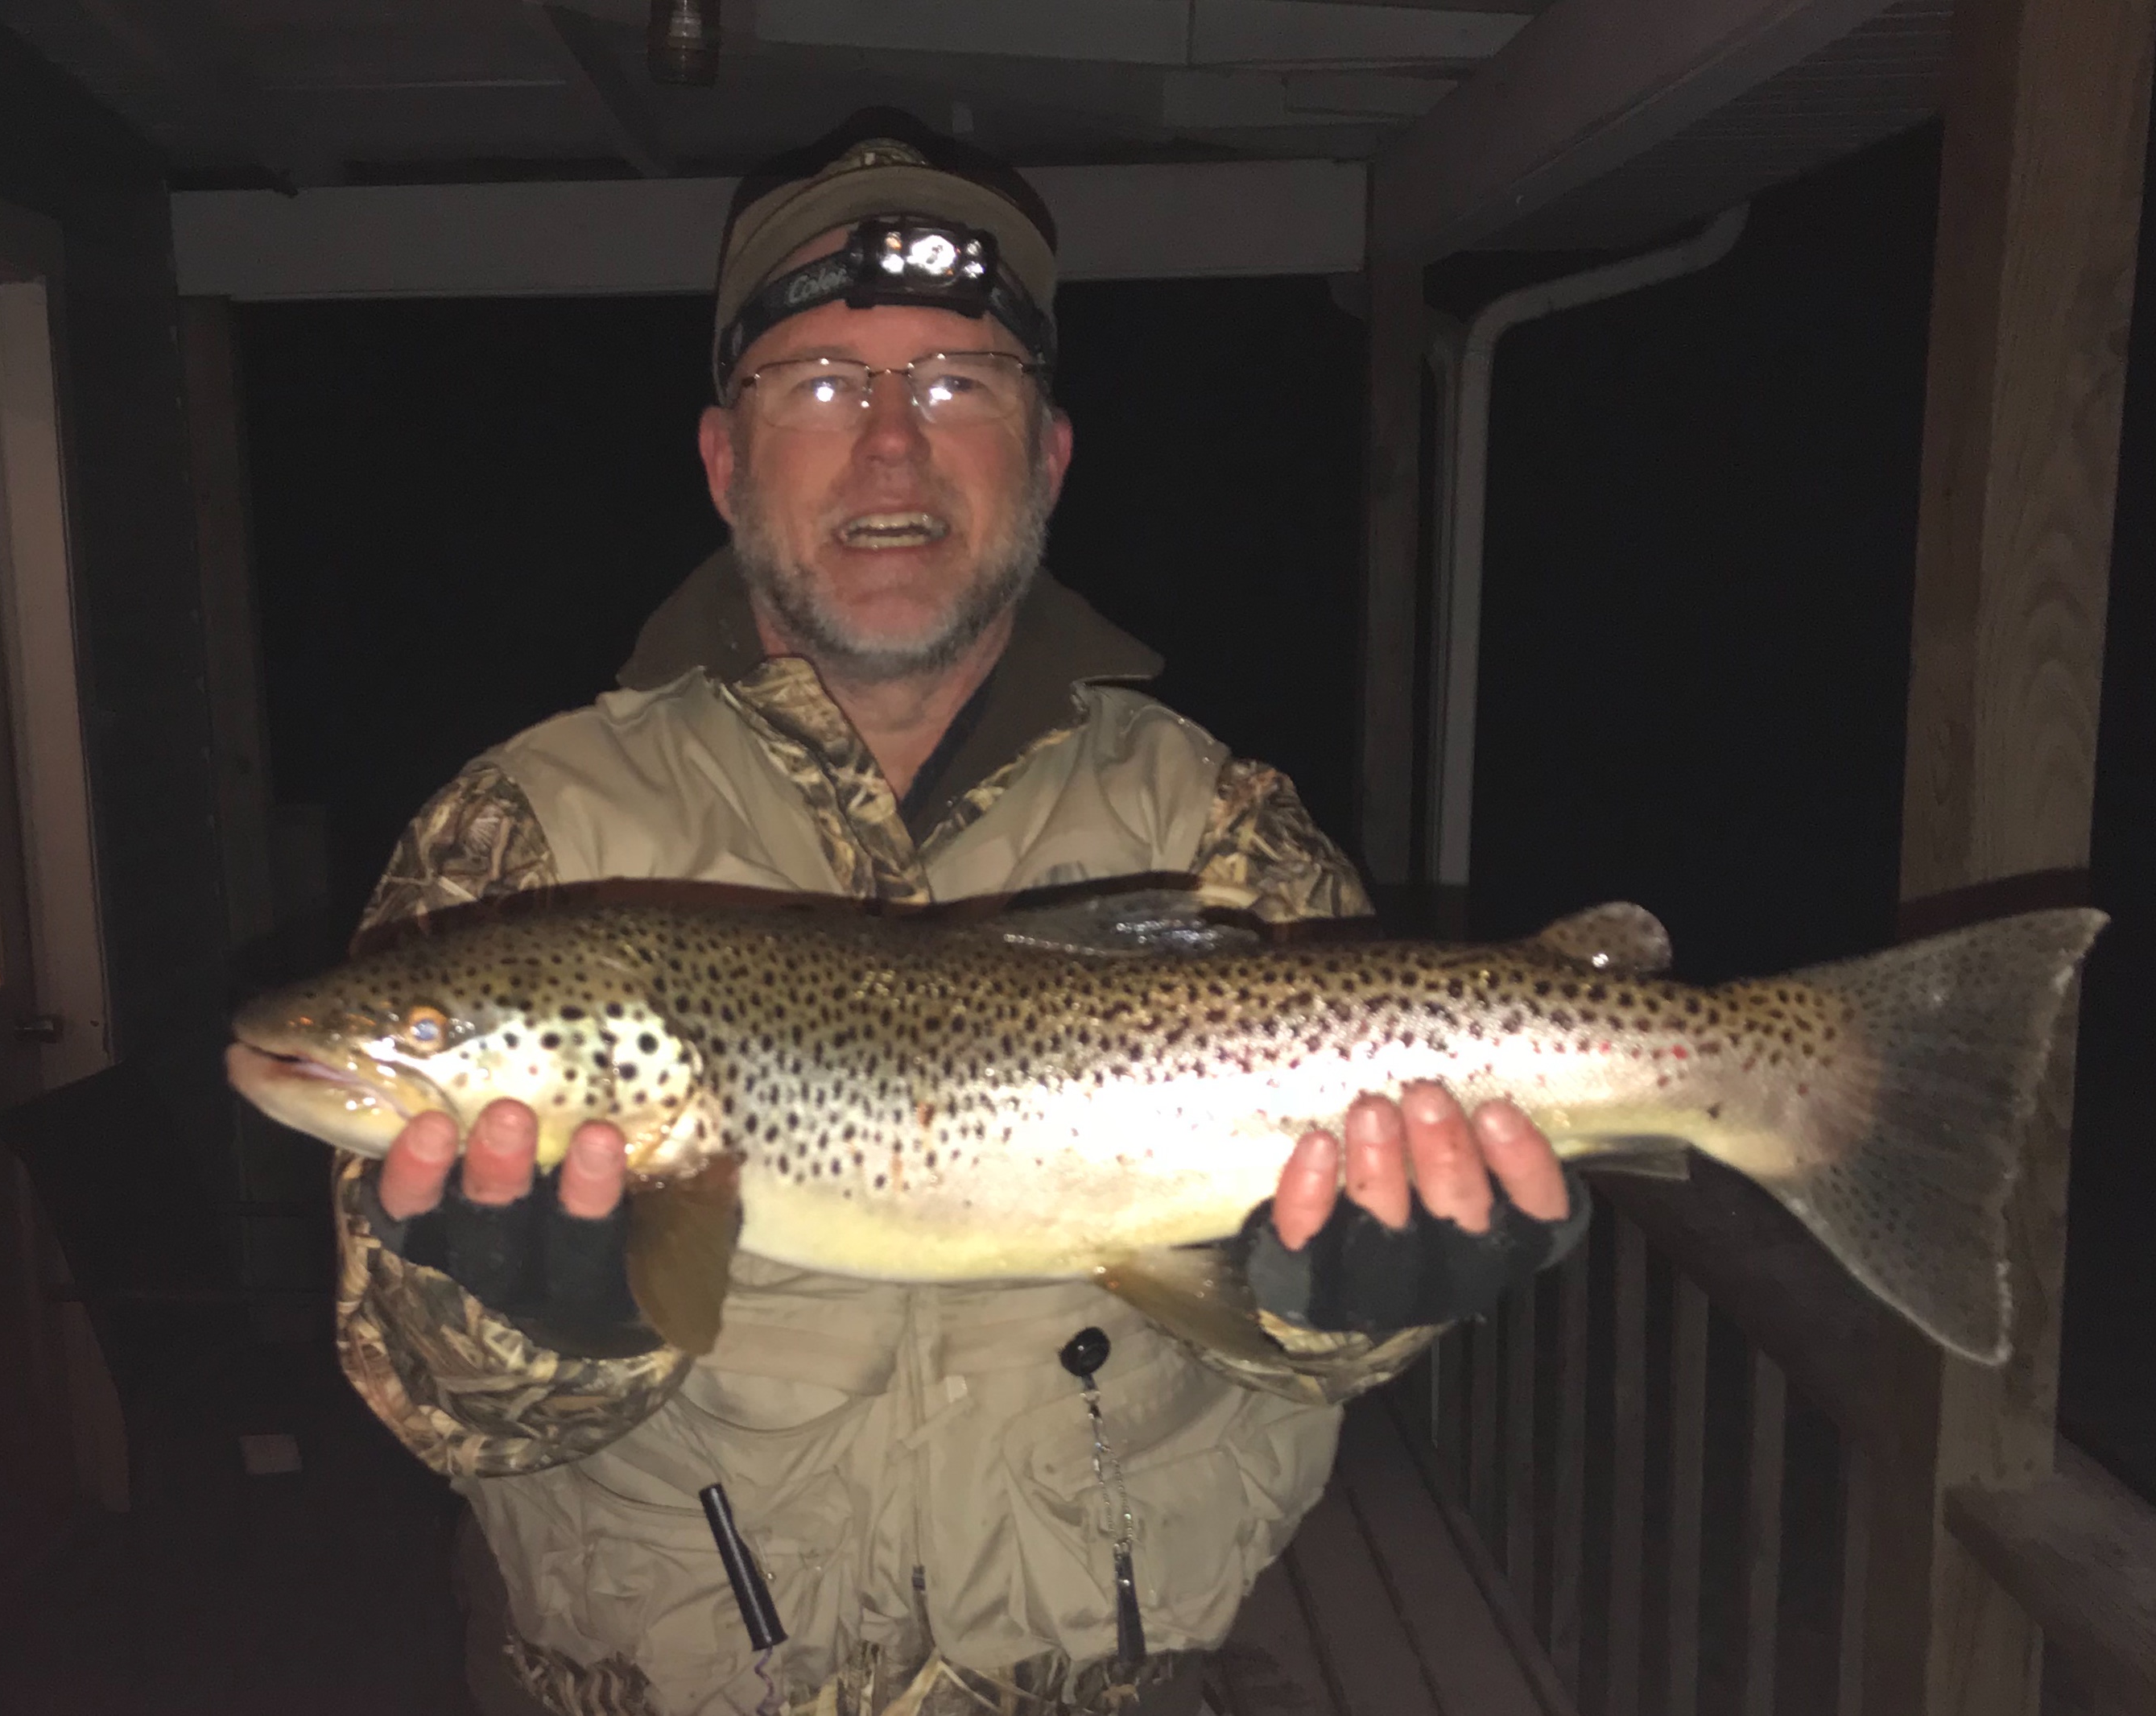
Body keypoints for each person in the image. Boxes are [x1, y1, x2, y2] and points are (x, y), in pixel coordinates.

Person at [336, 111, 1588, 1716]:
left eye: (955, 383)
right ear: (725, 459)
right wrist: (541, 1329)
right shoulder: (521, 835)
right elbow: (433, 1401)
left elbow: (1307, 1355)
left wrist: (1348, 1308)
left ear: (1046, 455)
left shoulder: (1221, 832)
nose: (891, 450)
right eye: (821, 384)